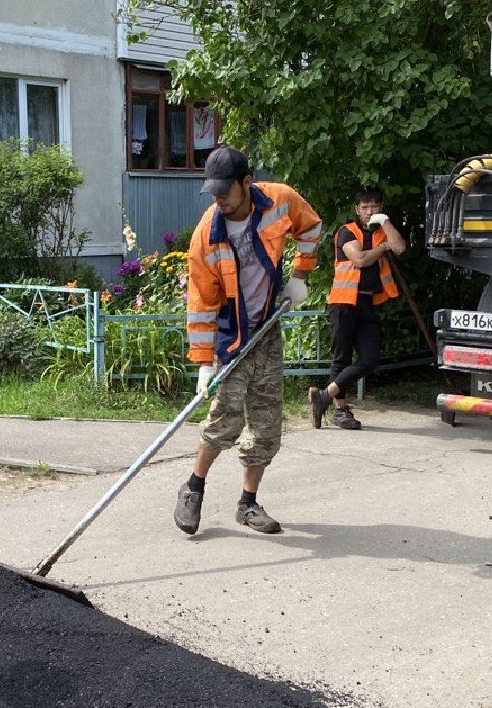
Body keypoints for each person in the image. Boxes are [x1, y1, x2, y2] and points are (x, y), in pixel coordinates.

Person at [174, 146, 323, 536]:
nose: (219, 199)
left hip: (267, 329)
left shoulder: (279, 200)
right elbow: (201, 303)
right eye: (213, 192)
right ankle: (193, 489)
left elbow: (311, 227)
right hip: (232, 332)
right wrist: (205, 362)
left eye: (226, 191)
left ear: (246, 182)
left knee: (266, 425)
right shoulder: (207, 235)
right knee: (225, 420)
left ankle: (247, 504)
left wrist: (300, 275)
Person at [308, 187, 406, 430]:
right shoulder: (346, 232)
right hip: (343, 301)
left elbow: (400, 247)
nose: (369, 211)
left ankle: (323, 396)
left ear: (380, 208)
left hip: (367, 303)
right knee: (341, 358)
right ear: (357, 209)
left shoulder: (382, 231)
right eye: (365, 207)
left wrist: (386, 223)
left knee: (371, 359)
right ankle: (340, 411)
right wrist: (382, 249)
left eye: (374, 207)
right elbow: (360, 259)